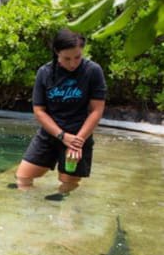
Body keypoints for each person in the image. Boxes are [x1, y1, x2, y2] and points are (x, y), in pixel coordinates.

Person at [13, 28, 107, 200]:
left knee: (67, 185)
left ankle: (63, 218)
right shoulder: (45, 73)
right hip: (50, 134)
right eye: (67, 58)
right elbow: (39, 111)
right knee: (23, 178)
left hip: (79, 136)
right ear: (57, 52)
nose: (73, 63)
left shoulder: (93, 71)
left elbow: (96, 110)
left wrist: (77, 141)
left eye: (77, 57)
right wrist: (62, 136)